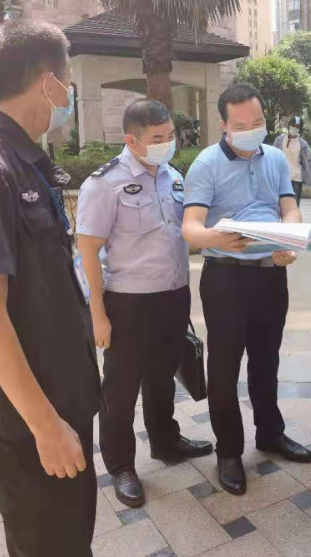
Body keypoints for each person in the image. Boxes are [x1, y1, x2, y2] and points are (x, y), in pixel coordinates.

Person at [0, 20, 100, 557]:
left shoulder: (26, 163)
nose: (68, 97)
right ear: (47, 82)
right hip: (27, 422)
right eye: (67, 84)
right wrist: (45, 426)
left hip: (58, 400)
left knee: (70, 540)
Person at [75, 99, 213, 508]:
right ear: (132, 140)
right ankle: (121, 465)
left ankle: (166, 442)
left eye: (170, 136)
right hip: (128, 304)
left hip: (173, 297)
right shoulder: (104, 184)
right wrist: (98, 316)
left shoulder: (174, 177)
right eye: (157, 138)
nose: (167, 143)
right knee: (120, 389)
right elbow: (87, 253)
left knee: (162, 378)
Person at [181, 84, 311, 496]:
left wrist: (290, 237)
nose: (251, 130)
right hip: (226, 278)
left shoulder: (274, 157)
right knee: (224, 367)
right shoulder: (206, 164)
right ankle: (228, 451)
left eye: (258, 122)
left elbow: (289, 206)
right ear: (223, 124)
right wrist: (217, 238)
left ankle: (270, 433)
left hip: (270, 274)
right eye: (241, 125)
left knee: (266, 359)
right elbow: (191, 227)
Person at [273, 116, 311, 204]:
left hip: (297, 178)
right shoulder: (279, 140)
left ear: (300, 129)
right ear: (289, 125)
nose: (295, 128)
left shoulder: (302, 143)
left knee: (295, 204)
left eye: (298, 126)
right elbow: (271, 155)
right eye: (293, 125)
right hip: (282, 177)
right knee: (281, 204)